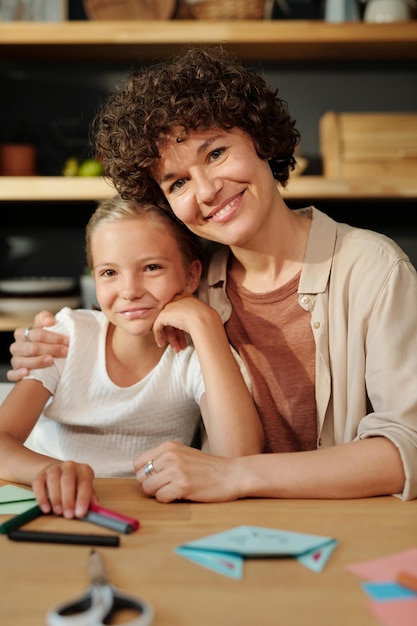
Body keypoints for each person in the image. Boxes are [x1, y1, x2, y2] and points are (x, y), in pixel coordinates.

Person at [7, 46, 417, 502]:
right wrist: (44, 340)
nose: (205, 191)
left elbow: (409, 448)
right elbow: (117, 319)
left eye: (217, 153)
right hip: (215, 531)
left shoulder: (374, 269)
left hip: (345, 527)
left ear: (261, 140)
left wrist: (239, 476)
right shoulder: (185, 284)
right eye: (177, 182)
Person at [0, 194, 263, 518]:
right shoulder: (68, 335)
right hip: (49, 504)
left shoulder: (195, 355)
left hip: (147, 513)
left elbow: (239, 456)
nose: (129, 290)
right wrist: (50, 471)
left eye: (151, 267)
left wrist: (204, 323)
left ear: (191, 275)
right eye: (109, 272)